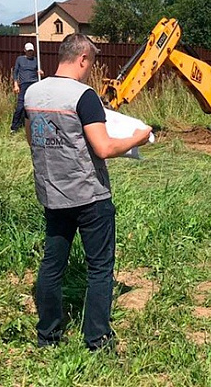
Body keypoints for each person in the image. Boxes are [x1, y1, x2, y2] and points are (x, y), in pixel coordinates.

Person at [23, 33, 152, 351]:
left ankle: (48, 336)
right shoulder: (84, 96)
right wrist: (138, 138)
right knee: (99, 267)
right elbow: (104, 147)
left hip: (53, 194)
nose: (90, 69)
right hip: (89, 196)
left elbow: (32, 138)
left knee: (52, 264)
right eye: (91, 63)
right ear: (82, 59)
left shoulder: (32, 94)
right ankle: (97, 339)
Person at [11, 42, 43, 133]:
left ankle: (33, 126)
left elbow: (40, 71)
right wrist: (16, 84)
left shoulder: (36, 60)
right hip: (24, 85)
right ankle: (14, 127)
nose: (30, 53)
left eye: (31, 51)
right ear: (25, 50)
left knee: (33, 106)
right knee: (20, 107)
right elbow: (16, 72)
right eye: (28, 51)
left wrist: (41, 73)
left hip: (34, 84)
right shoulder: (20, 59)